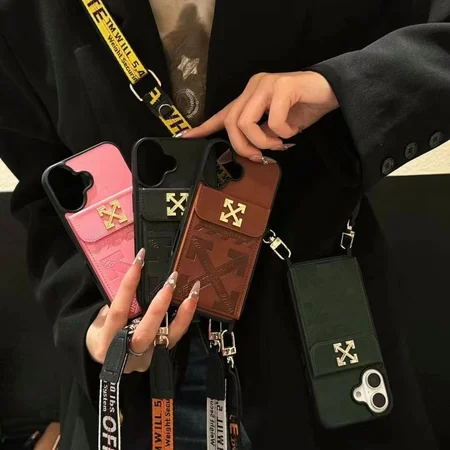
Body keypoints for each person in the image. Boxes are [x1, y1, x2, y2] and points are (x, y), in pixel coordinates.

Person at [0, 0, 449, 448]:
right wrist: (90, 323)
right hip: (134, 376)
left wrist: (338, 84)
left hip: (314, 345)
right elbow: (43, 188)